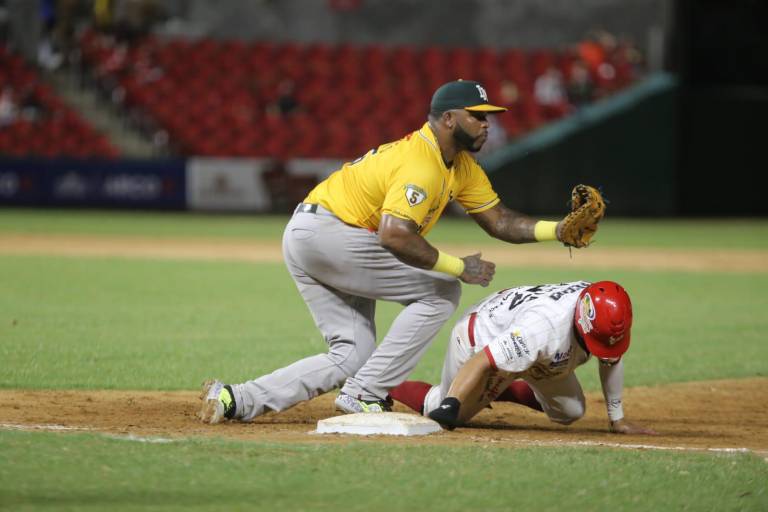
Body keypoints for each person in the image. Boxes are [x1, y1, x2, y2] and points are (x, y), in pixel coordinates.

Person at [199, 80, 601, 424]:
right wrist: (458, 266)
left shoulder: (459, 166)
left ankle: (234, 399)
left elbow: (499, 222)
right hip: (332, 234)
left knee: (352, 356)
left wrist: (559, 229)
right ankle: (365, 393)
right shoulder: (421, 163)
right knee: (441, 289)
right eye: (477, 115)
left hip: (315, 234)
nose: (486, 124)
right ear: (448, 119)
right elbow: (394, 236)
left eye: (487, 116)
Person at [391, 280, 657, 435]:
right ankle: (383, 384)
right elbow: (482, 360)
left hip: (523, 340)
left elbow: (611, 358)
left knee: (570, 411)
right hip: (480, 337)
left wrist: (617, 417)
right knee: (445, 410)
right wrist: (451, 404)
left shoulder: (602, 305)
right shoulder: (542, 329)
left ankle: (504, 386)